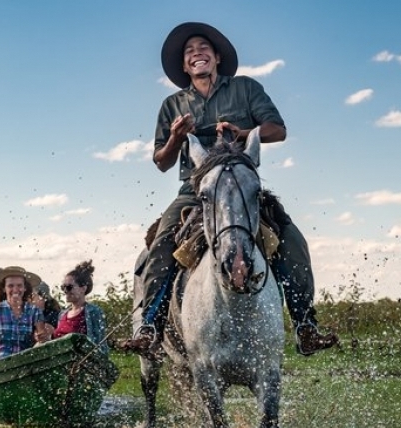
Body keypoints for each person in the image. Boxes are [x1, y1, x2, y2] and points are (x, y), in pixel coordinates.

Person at [125, 22, 337, 357]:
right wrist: (177, 138)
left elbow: (277, 130)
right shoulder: (172, 105)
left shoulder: (246, 88)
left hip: (242, 185)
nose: (197, 53)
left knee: (292, 238)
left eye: (203, 48)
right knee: (163, 242)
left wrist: (242, 132)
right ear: (184, 66)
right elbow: (161, 161)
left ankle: (305, 325)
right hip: (196, 190)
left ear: (217, 57)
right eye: (189, 51)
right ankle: (150, 326)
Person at [53, 260, 109, 354]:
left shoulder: (93, 312)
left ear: (83, 288)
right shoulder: (62, 314)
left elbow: (100, 344)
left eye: (69, 287)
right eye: (63, 287)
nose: (65, 291)